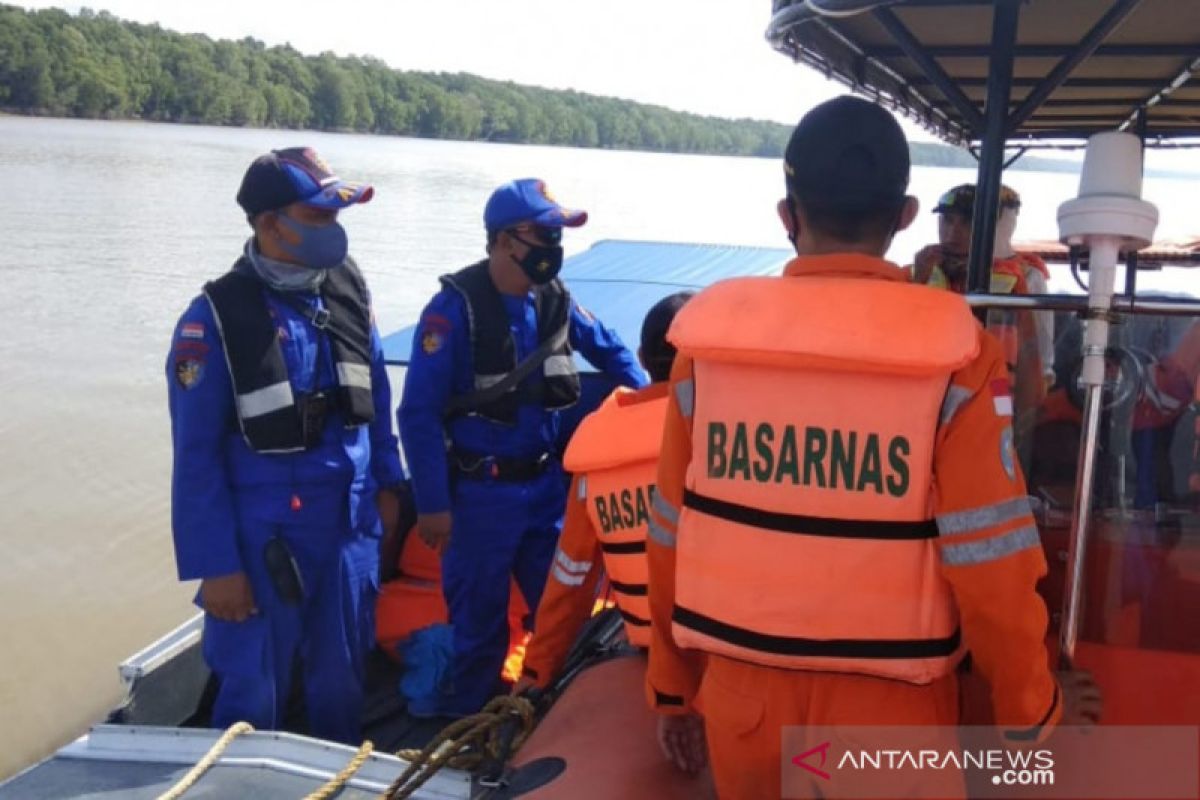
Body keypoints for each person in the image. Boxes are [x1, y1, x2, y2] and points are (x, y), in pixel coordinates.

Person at [644, 97, 1098, 800]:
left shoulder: (704, 355)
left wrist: (673, 685)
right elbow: (992, 562)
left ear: (787, 215)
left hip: (743, 708)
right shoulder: (958, 356)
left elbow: (669, 530)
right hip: (891, 721)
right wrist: (1026, 712)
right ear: (905, 216)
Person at [166, 147, 405, 745]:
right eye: (319, 217)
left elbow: (375, 401)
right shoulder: (214, 319)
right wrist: (216, 566)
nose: (335, 231)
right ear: (271, 224)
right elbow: (194, 458)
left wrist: (390, 486)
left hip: (349, 528)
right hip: (264, 539)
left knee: (342, 678)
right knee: (253, 688)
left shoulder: (350, 294)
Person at [399, 178, 647, 717]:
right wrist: (433, 505)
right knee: (479, 629)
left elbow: (611, 352)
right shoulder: (451, 314)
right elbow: (416, 412)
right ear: (506, 239)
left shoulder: (556, 301)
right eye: (545, 233)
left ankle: (555, 717)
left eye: (558, 234)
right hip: (479, 499)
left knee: (563, 615)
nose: (554, 246)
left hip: (546, 495)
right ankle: (470, 730)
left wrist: (652, 404)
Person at [514, 291, 694, 693]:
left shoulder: (595, 453)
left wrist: (536, 673)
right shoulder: (729, 433)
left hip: (650, 649)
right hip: (724, 651)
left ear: (643, 359)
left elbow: (570, 581)